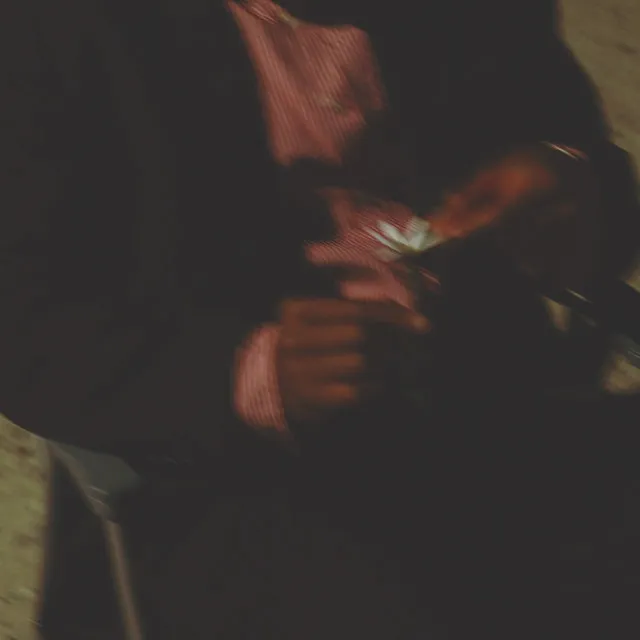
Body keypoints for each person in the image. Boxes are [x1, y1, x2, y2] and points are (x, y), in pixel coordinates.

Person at [1, 0, 638, 638]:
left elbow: (581, 161)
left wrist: (573, 185)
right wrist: (257, 375)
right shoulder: (62, 24)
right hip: (239, 473)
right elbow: (24, 324)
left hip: (499, 405)